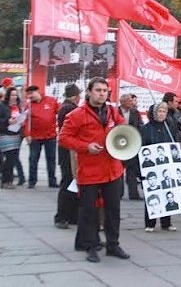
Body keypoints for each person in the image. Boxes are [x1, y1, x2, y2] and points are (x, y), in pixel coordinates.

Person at [58, 77, 130, 263]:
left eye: (105, 91)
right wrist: (85, 146)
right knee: (88, 211)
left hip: (112, 169)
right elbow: (64, 138)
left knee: (113, 209)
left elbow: (123, 129)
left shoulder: (113, 112)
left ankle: (113, 245)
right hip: (89, 170)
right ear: (89, 92)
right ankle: (90, 246)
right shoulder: (76, 114)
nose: (102, 94)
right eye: (98, 90)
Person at [140, 102, 178, 232]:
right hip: (151, 168)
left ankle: (166, 222)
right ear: (154, 113)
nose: (161, 114)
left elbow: (174, 143)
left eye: (164, 111)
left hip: (166, 166)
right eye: (159, 111)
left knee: (167, 192)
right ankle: (150, 223)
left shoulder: (169, 127)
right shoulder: (145, 129)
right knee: (152, 193)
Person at [54, 84, 81, 229]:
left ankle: (70, 216)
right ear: (76, 97)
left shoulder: (65, 107)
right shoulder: (70, 109)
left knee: (70, 182)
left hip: (66, 150)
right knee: (68, 182)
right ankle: (62, 216)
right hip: (68, 151)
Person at [24, 85, 59, 188]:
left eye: (32, 94)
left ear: (38, 91)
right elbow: (26, 121)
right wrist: (27, 135)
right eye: (28, 95)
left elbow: (59, 113)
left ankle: (52, 181)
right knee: (33, 159)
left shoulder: (51, 101)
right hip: (35, 137)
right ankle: (32, 181)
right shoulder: (29, 106)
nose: (30, 96)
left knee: (51, 159)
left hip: (50, 136)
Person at [118, 93, 143, 200]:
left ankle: (134, 194)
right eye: (129, 100)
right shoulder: (115, 112)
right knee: (118, 170)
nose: (131, 102)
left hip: (132, 143)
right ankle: (118, 193)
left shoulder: (135, 112)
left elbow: (140, 125)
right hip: (118, 144)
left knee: (131, 169)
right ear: (122, 102)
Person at [0, 87, 24, 189]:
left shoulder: (18, 106)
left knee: (13, 158)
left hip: (16, 134)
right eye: (12, 95)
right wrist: (7, 121)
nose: (14, 97)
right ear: (8, 96)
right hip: (5, 134)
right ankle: (5, 180)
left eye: (15, 95)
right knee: (9, 158)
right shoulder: (2, 106)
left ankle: (9, 180)